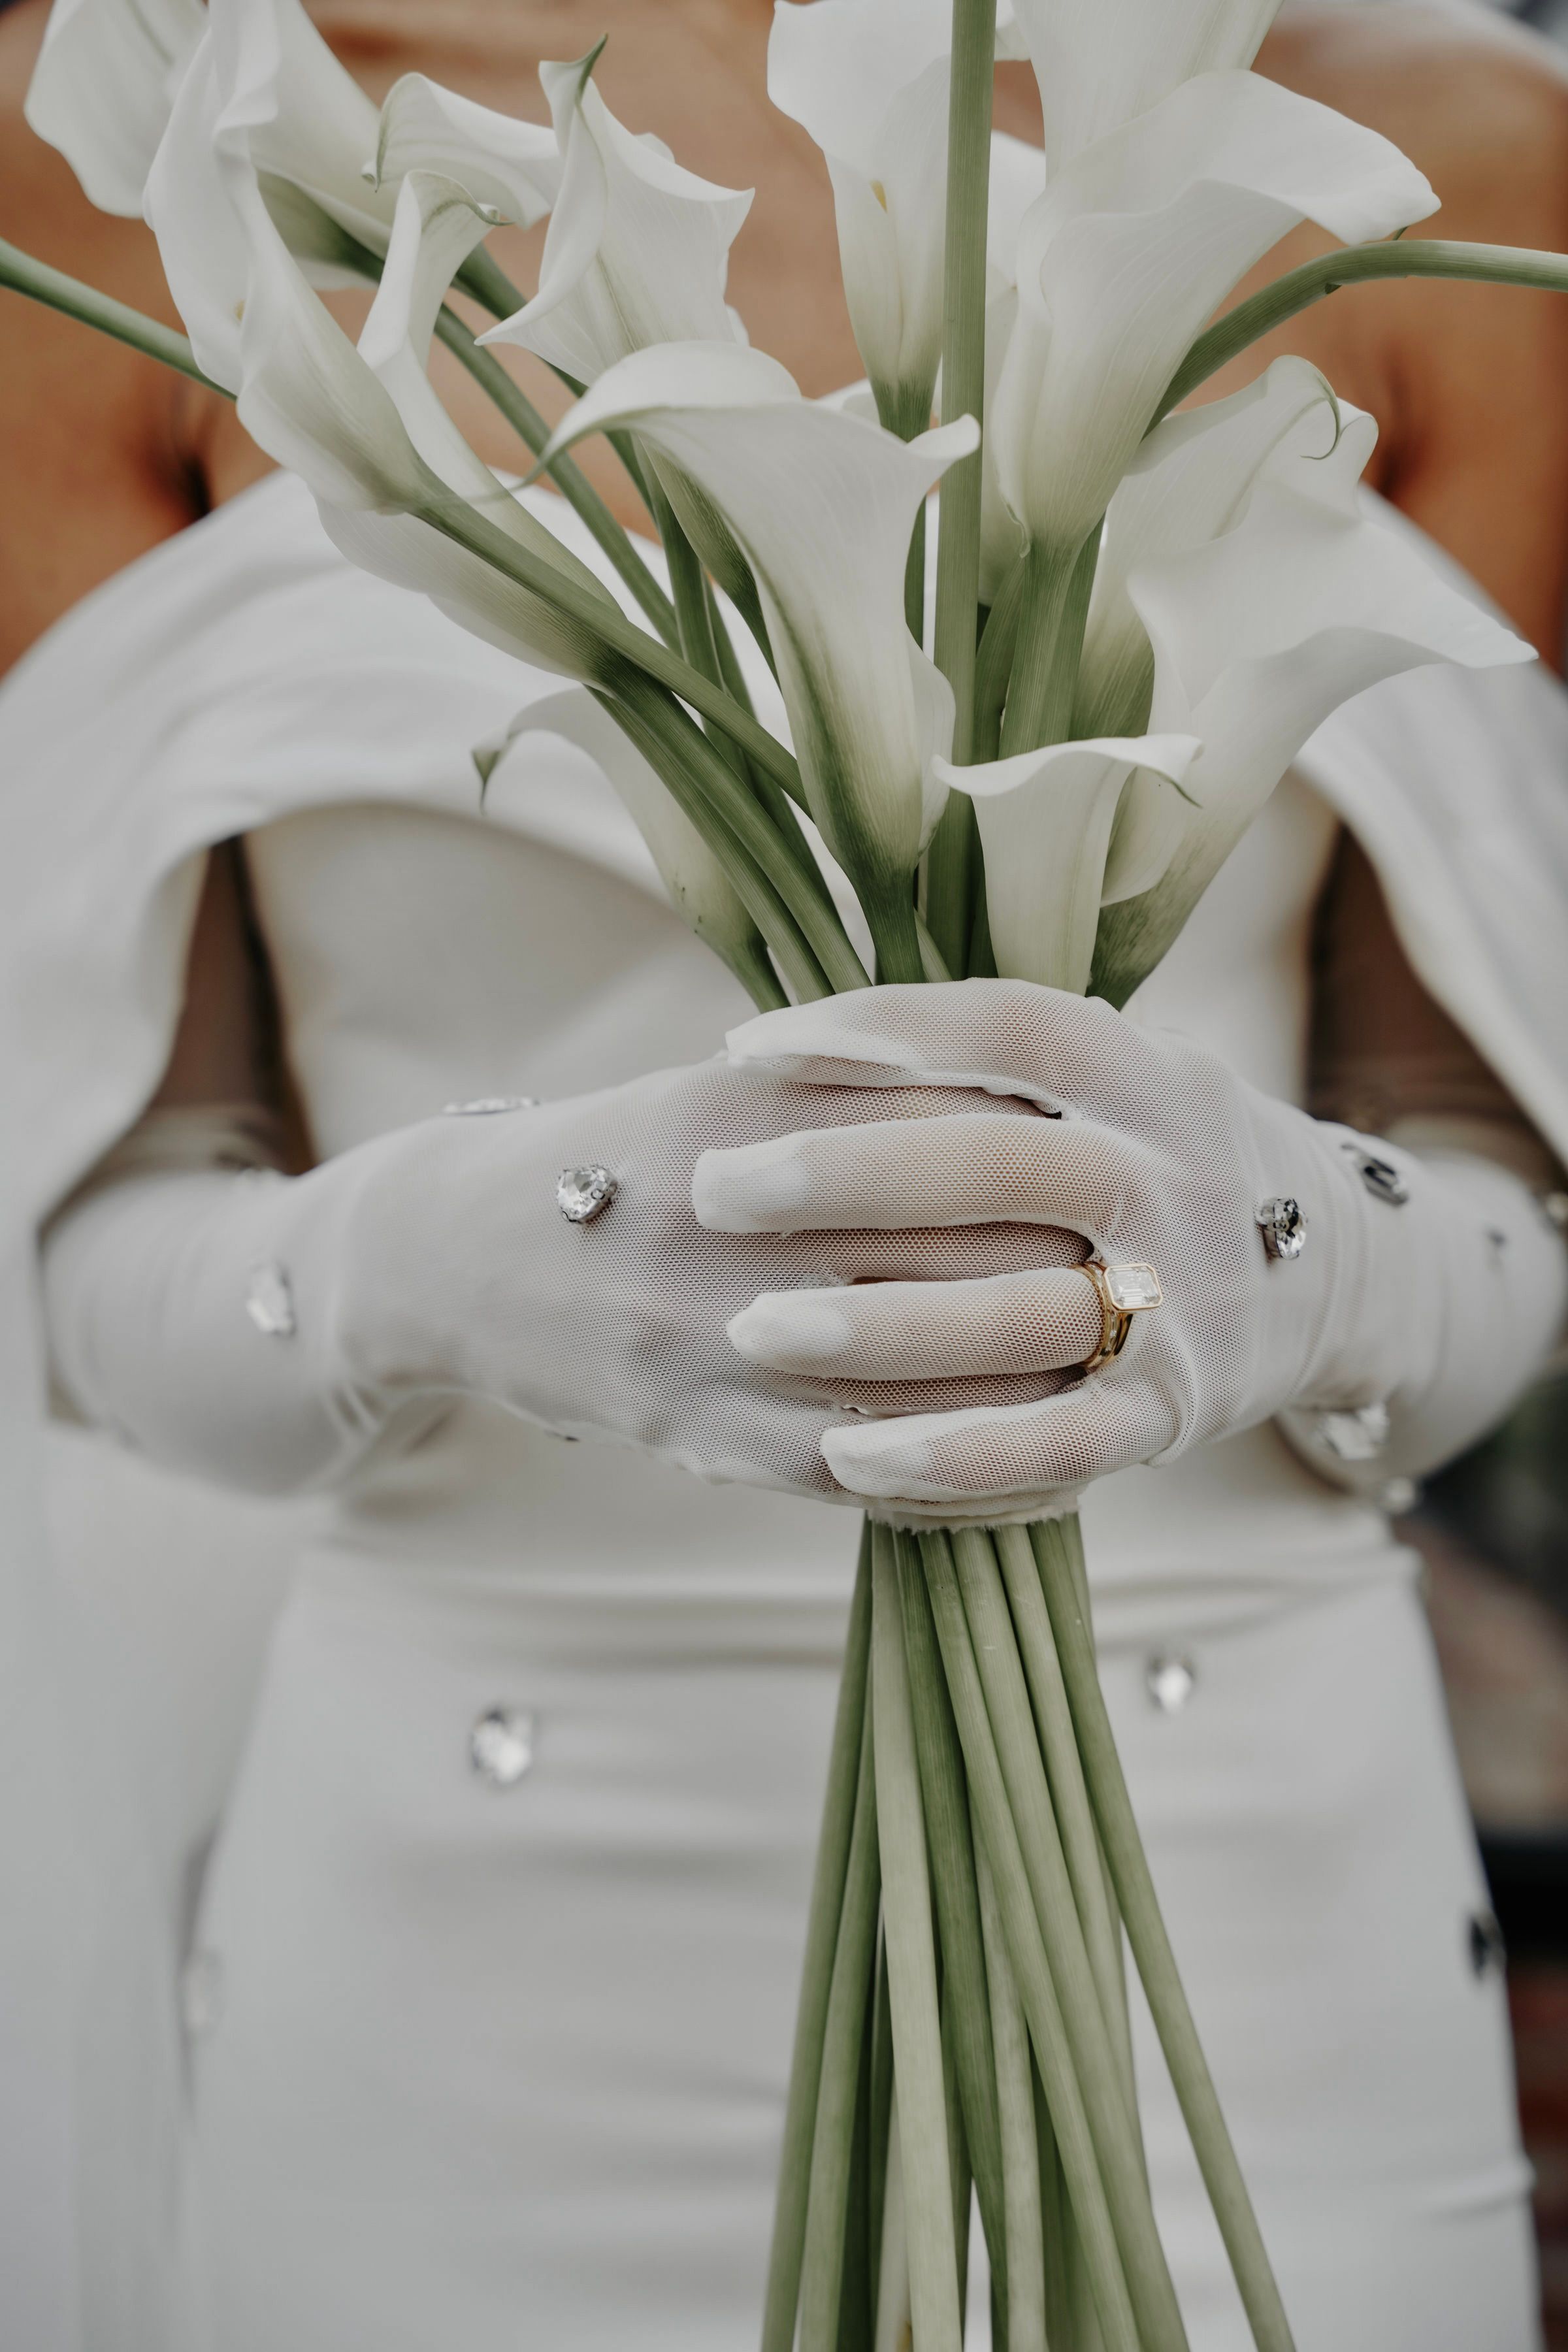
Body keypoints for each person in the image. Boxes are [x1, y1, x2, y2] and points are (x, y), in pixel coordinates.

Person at [3, 2, 1567, 2347]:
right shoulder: (152, 131)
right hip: (468, 1998)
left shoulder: (1433, 152)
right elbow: (96, 1281)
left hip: (1240, 1956)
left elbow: (1486, 1217)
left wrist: (1289, 1255)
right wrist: (454, 1253)